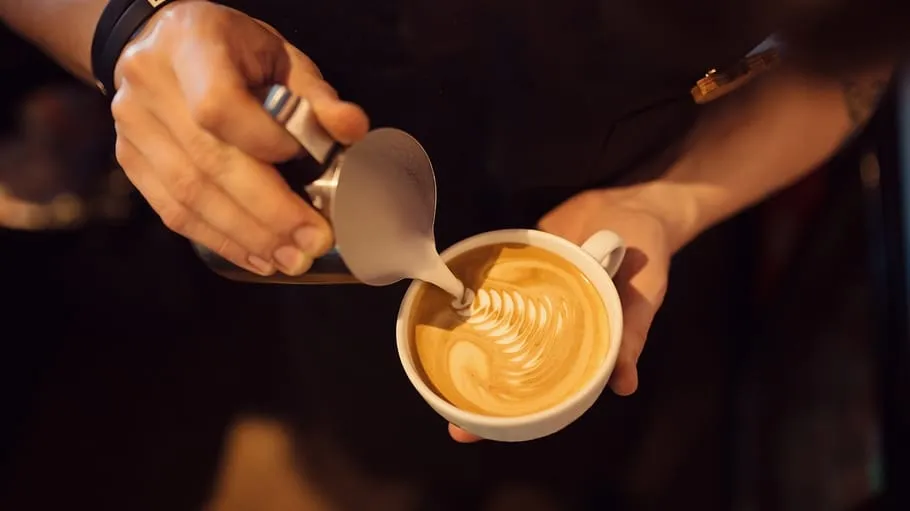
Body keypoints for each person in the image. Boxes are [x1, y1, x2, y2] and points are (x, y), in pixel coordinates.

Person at [1, 0, 906, 509]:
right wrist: (125, 30)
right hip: (336, 230)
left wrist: (667, 201)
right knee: (369, 436)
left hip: (643, 240)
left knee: (611, 450)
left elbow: (845, 65)